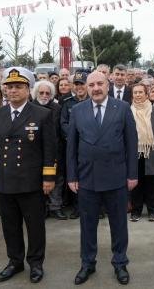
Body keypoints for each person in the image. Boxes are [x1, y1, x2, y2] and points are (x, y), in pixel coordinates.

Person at [0, 67, 57, 283]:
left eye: (18, 87)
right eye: (9, 87)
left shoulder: (42, 114)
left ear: (28, 89)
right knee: (10, 226)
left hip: (31, 182)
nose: (13, 91)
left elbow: (50, 149)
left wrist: (49, 178)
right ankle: (14, 261)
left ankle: (35, 263)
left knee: (35, 226)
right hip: (5, 181)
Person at [66, 71, 137, 285]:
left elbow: (131, 143)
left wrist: (132, 174)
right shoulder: (77, 110)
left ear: (108, 85)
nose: (96, 88)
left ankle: (120, 263)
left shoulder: (122, 108)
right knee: (87, 225)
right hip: (87, 177)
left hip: (116, 177)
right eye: (91, 85)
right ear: (86, 88)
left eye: (99, 84)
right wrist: (72, 175)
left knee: (118, 224)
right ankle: (88, 263)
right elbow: (71, 146)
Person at [32, 80, 67, 220]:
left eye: (48, 93)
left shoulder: (57, 108)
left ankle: (55, 207)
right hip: (35, 151)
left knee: (57, 179)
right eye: (41, 92)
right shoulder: (30, 107)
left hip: (55, 149)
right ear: (36, 93)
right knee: (38, 180)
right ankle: (42, 208)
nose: (44, 95)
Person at [60, 71, 90, 219]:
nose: (79, 87)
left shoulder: (94, 101)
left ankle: (96, 209)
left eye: (82, 84)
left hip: (90, 145)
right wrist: (75, 136)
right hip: (73, 146)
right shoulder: (67, 103)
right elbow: (63, 123)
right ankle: (78, 208)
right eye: (76, 84)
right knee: (74, 176)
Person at [129, 82, 154, 222]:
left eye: (140, 92)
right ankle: (136, 211)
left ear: (146, 94)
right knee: (136, 184)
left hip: (151, 153)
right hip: (134, 153)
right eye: (135, 92)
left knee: (152, 184)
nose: (138, 95)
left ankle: (153, 211)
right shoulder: (128, 111)